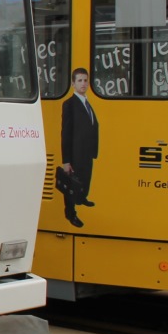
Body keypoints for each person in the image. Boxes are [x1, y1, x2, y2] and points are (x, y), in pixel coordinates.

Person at [61, 67, 99, 228]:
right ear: (73, 84)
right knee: (71, 184)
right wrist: (67, 160)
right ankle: (71, 213)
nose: (83, 84)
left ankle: (82, 198)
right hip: (75, 153)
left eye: (85, 80)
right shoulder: (70, 104)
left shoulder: (87, 103)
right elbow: (66, 133)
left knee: (84, 178)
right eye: (80, 81)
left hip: (87, 152)